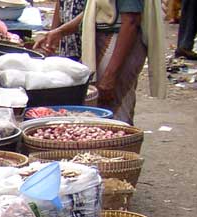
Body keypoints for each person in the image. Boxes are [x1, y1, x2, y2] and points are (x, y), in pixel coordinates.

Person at [36, 0, 166, 124]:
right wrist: (59, 32)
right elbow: (94, 10)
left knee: (115, 109)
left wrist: (110, 75)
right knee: (101, 106)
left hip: (117, 45)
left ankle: (117, 146)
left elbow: (131, 21)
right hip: (105, 41)